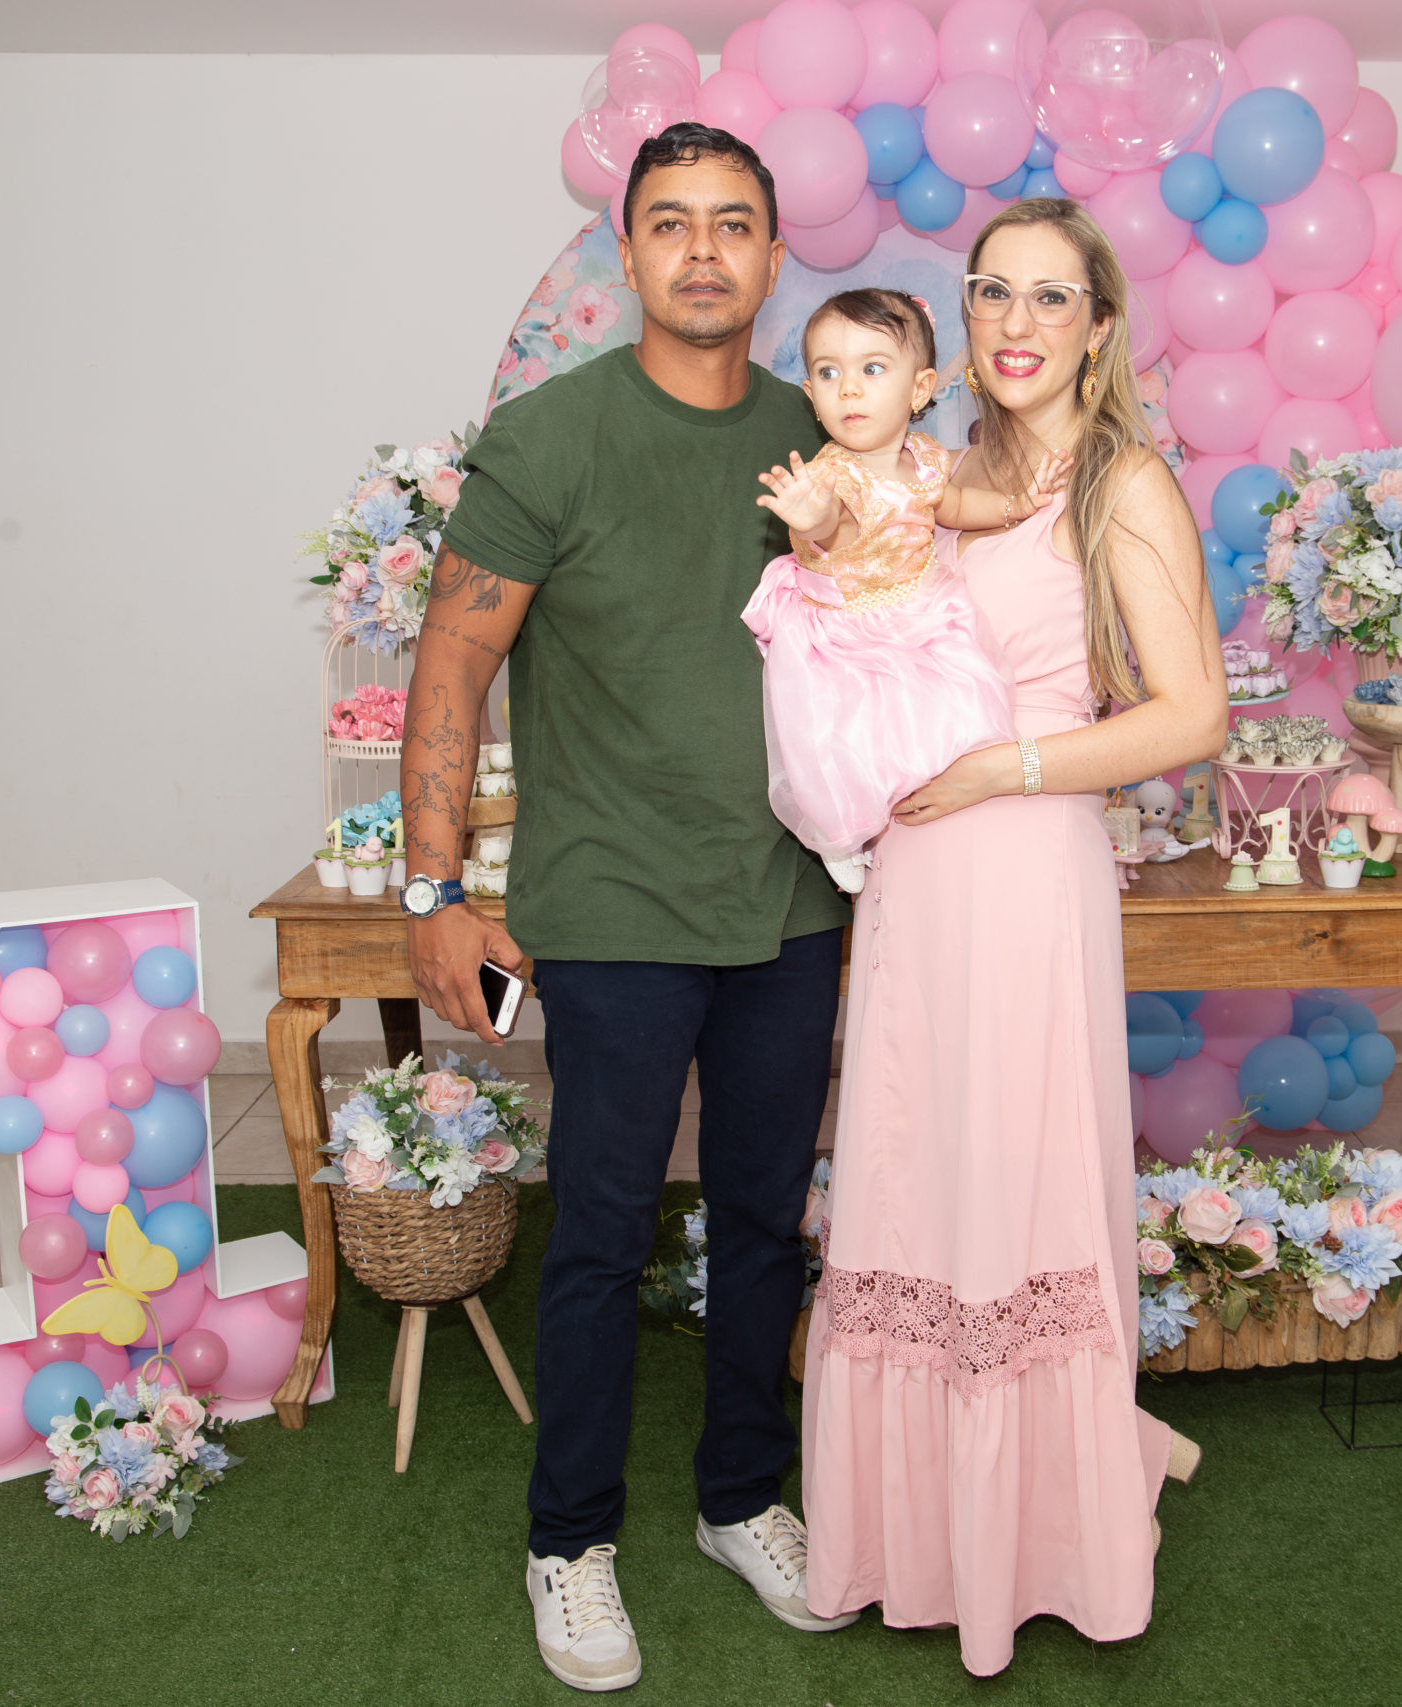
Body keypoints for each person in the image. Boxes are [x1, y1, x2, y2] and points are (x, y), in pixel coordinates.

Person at [399, 122, 856, 1694]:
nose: (704, 248)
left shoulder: (823, 439)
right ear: (630, 254)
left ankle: (741, 1497)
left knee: (765, 1216)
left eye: (734, 222)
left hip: (793, 905)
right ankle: (571, 1538)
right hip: (606, 910)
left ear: (777, 256)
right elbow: (452, 661)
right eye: (672, 222)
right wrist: (436, 887)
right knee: (597, 1229)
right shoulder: (548, 440)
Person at [799, 199, 1228, 1675]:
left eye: (1054, 296)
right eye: (994, 292)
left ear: (1098, 328)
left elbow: (1192, 715)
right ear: (964, 320)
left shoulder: (1124, 484)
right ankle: (907, 1533)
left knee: (1020, 1173)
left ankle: (1041, 1526)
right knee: (916, 1166)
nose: (1020, 322)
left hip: (1030, 858)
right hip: (913, 878)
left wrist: (1005, 769)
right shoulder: (935, 472)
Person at [745, 286, 1071, 893]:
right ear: (811, 394)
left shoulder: (924, 458)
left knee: (948, 698)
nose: (848, 389)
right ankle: (841, 832)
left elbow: (954, 505)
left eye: (871, 369)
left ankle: (942, 777)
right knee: (840, 737)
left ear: (919, 389)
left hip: (916, 605)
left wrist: (1018, 505)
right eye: (829, 373)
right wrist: (809, 517)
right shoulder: (832, 474)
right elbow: (831, 525)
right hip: (841, 627)